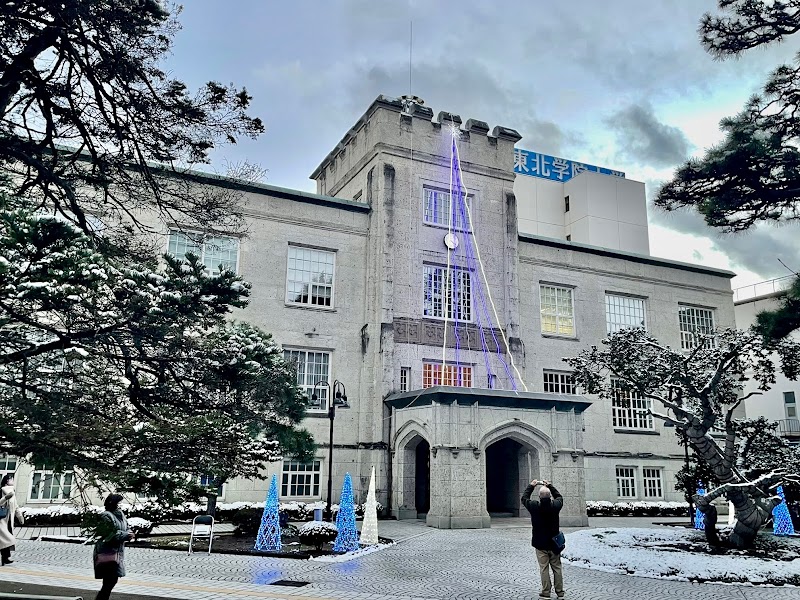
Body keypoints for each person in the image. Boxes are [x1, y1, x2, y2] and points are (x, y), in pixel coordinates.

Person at [522, 479, 565, 600]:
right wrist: (550, 485)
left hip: (540, 544)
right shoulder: (555, 506)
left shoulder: (534, 506)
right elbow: (560, 497)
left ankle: (546, 592)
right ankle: (560, 592)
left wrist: (531, 486)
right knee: (557, 568)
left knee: (544, 568)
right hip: (554, 543)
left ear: (539, 497)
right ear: (550, 496)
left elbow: (524, 498)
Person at [93, 494, 134, 600]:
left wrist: (129, 533)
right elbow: (109, 533)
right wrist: (126, 535)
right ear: (113, 503)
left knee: (111, 581)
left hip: (117, 552)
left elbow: (127, 527)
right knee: (109, 581)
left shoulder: (120, 514)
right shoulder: (106, 516)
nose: (121, 505)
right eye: (119, 502)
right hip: (107, 552)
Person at [0, 473, 24, 565]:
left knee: (5, 538)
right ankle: (5, 558)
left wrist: (20, 516)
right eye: (11, 479)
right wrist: (5, 498)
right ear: (6, 481)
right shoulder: (1, 491)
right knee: (6, 538)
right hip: (2, 519)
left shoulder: (12, 492)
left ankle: (5, 558)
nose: (13, 481)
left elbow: (16, 506)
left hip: (9, 519)